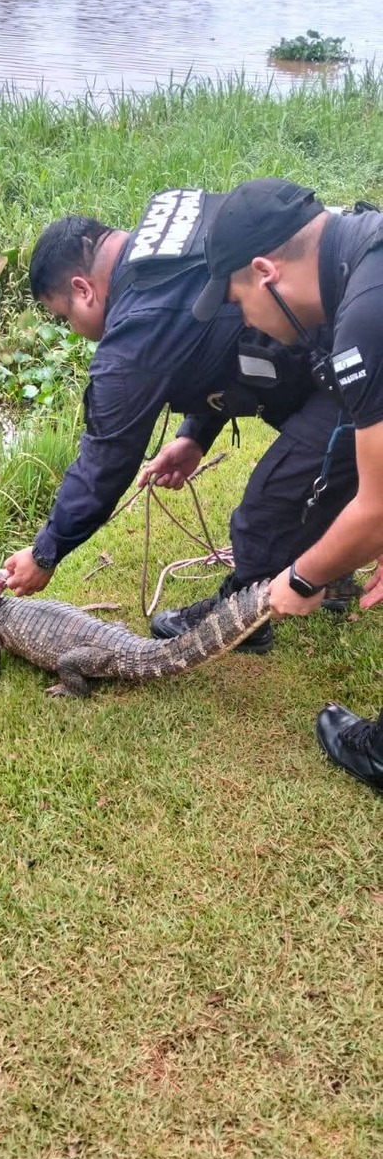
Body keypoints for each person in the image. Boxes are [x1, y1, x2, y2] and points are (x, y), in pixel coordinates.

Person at [3, 192, 360, 660]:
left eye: (64, 317)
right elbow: (221, 339)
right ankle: (329, 572)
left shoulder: (134, 332)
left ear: (83, 288)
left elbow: (106, 457)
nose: (72, 329)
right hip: (332, 331)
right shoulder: (168, 221)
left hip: (354, 362)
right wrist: (194, 435)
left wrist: (45, 552)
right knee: (309, 475)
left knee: (267, 508)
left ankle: (243, 615)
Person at [191, 175, 383, 791]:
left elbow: (375, 508)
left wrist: (302, 579)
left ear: (265, 271)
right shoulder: (366, 248)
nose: (245, 319)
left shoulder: (364, 319)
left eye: (238, 300)